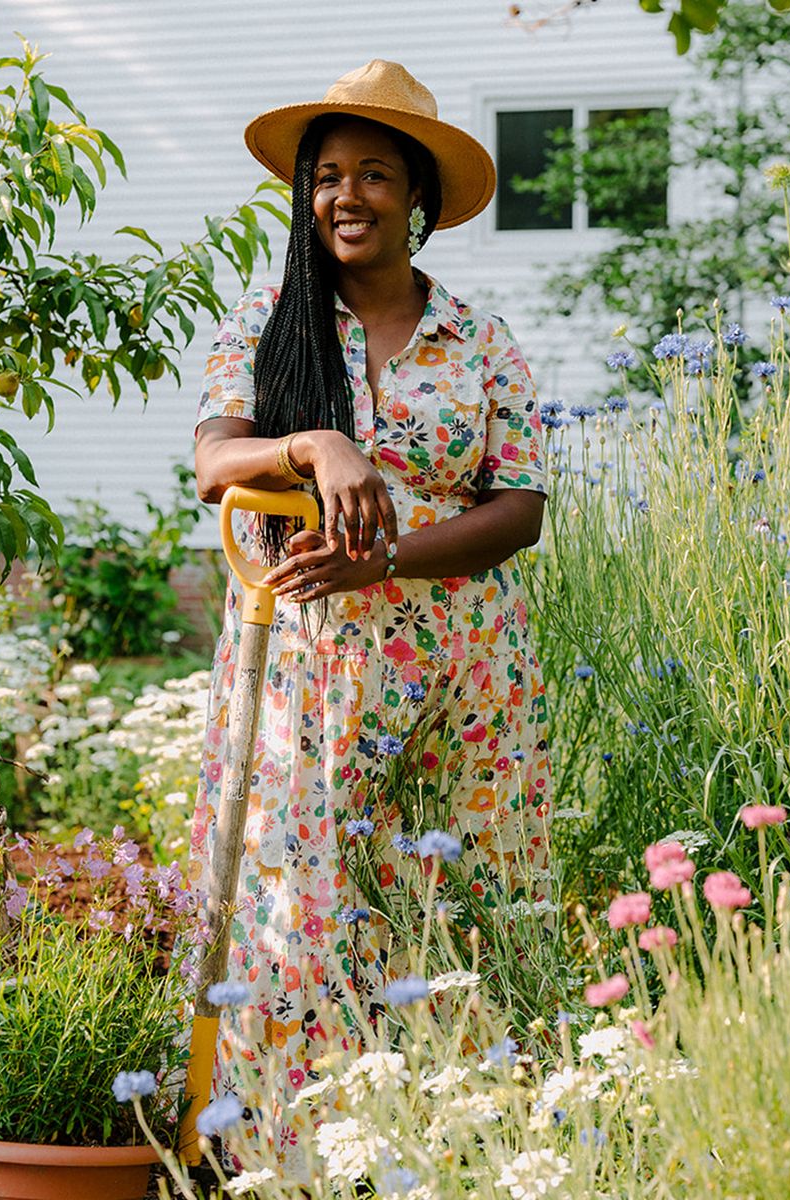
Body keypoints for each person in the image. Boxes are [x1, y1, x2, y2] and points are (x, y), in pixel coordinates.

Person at [188, 59, 552, 1168]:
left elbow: (520, 510)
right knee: (299, 906)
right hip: (302, 668)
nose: (349, 195)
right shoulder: (270, 319)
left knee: (453, 901)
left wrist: (385, 559)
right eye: (329, 175)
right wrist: (316, 440)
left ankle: (450, 1152)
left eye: (377, 175)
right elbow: (212, 462)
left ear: (419, 200)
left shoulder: (480, 342)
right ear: (307, 195)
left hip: (465, 679)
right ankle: (288, 1164)